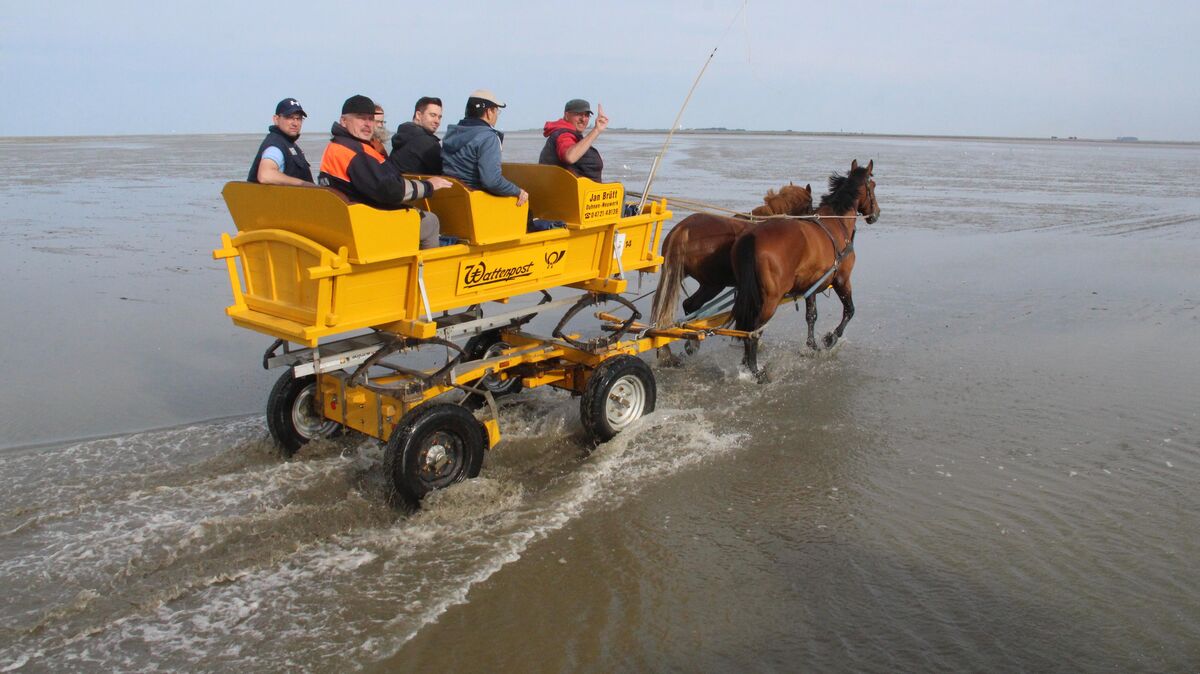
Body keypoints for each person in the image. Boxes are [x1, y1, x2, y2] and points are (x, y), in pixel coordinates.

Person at [318, 94, 451, 249]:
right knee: (430, 222)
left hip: (347, 219)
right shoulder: (356, 153)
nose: (368, 124)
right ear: (344, 121)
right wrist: (429, 186)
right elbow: (390, 190)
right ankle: (427, 272)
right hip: (367, 223)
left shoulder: (336, 146)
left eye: (370, 119)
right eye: (361, 118)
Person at [441, 90, 528, 206]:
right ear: (489, 112)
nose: (497, 115)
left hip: (449, 200)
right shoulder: (488, 137)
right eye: (497, 111)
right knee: (525, 205)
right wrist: (518, 191)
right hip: (476, 203)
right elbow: (491, 181)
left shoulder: (451, 134)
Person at [247, 98, 314, 185]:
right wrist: (302, 184)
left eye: (299, 118)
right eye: (290, 117)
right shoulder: (275, 146)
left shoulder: (289, 144)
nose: (295, 123)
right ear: (276, 119)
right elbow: (265, 175)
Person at [539, 99, 608, 181]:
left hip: (581, 189)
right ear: (566, 115)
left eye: (586, 115)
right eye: (578, 114)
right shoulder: (564, 135)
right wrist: (596, 130)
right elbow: (570, 157)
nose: (583, 119)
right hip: (575, 191)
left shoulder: (572, 134)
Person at [389, 96, 444, 175]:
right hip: (416, 186)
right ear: (418, 115)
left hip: (396, 184)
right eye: (432, 115)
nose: (437, 121)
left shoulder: (403, 135)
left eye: (439, 117)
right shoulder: (427, 143)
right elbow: (441, 173)